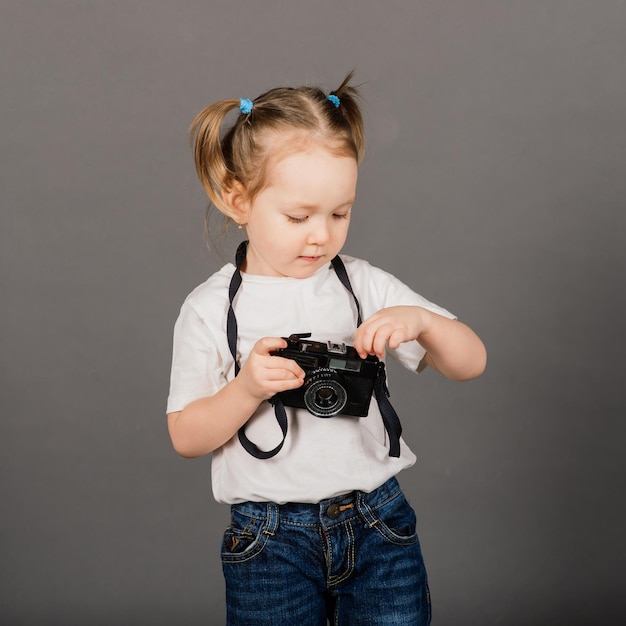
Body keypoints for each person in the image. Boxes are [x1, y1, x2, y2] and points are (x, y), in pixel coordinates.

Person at [166, 72, 487, 626]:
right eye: (298, 216)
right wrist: (247, 388)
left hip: (378, 520)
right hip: (268, 538)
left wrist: (421, 322)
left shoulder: (361, 285)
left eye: (340, 214)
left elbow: (471, 363)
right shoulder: (210, 308)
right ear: (236, 199)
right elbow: (185, 437)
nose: (321, 235)